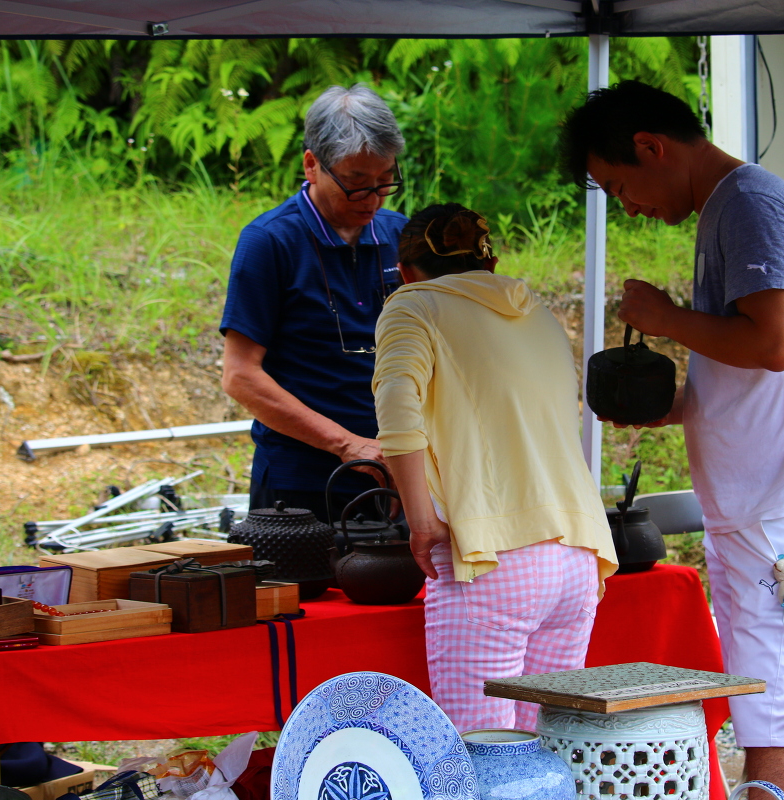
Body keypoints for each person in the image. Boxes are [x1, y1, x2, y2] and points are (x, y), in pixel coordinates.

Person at [561, 81, 784, 800]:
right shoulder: (729, 209)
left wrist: (665, 318)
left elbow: (776, 341)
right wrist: (675, 408)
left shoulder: (749, 203)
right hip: (766, 514)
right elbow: (754, 368)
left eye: (618, 185)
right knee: (779, 713)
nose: (627, 205)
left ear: (650, 147)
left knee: (772, 726)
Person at [373, 203, 617, 733]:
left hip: (495, 559)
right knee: (547, 754)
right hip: (577, 554)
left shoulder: (413, 305)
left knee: (482, 757)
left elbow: (397, 406)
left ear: (406, 272)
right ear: (489, 262)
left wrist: (420, 522)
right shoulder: (538, 313)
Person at [220, 84, 407, 522]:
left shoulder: (402, 238)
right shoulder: (270, 242)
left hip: (395, 476)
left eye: (384, 181)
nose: (373, 200)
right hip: (299, 483)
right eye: (356, 184)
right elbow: (240, 375)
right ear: (311, 165)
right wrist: (346, 444)